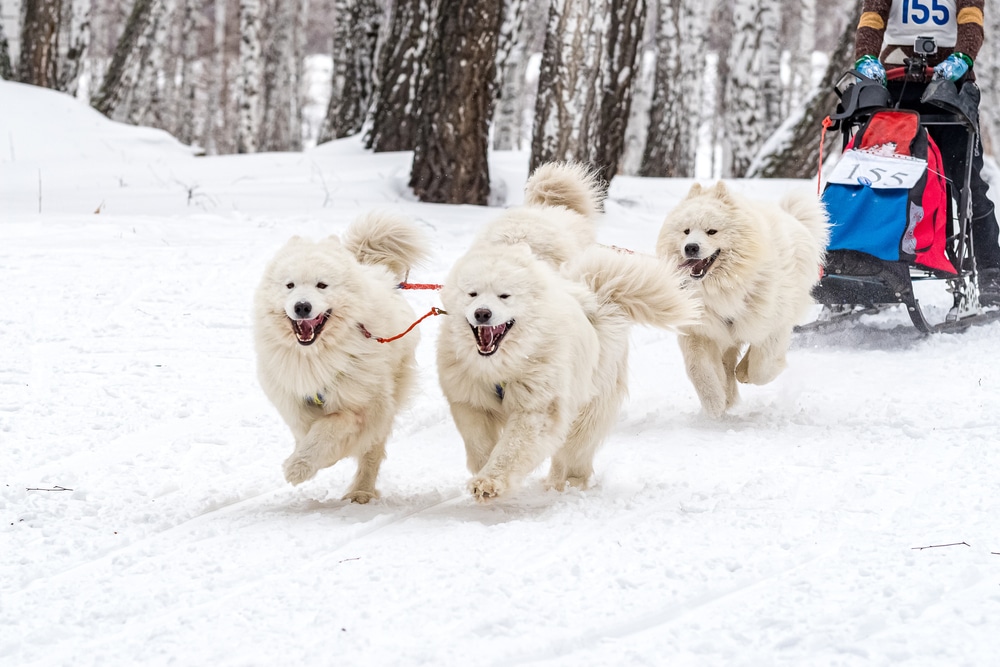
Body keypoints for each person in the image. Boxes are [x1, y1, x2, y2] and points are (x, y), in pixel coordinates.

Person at [853, 0, 1000, 306]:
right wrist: (866, 58)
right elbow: (872, 18)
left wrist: (963, 56)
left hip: (950, 83)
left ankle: (990, 269)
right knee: (879, 174)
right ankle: (865, 267)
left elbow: (971, 18)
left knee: (965, 181)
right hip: (895, 81)